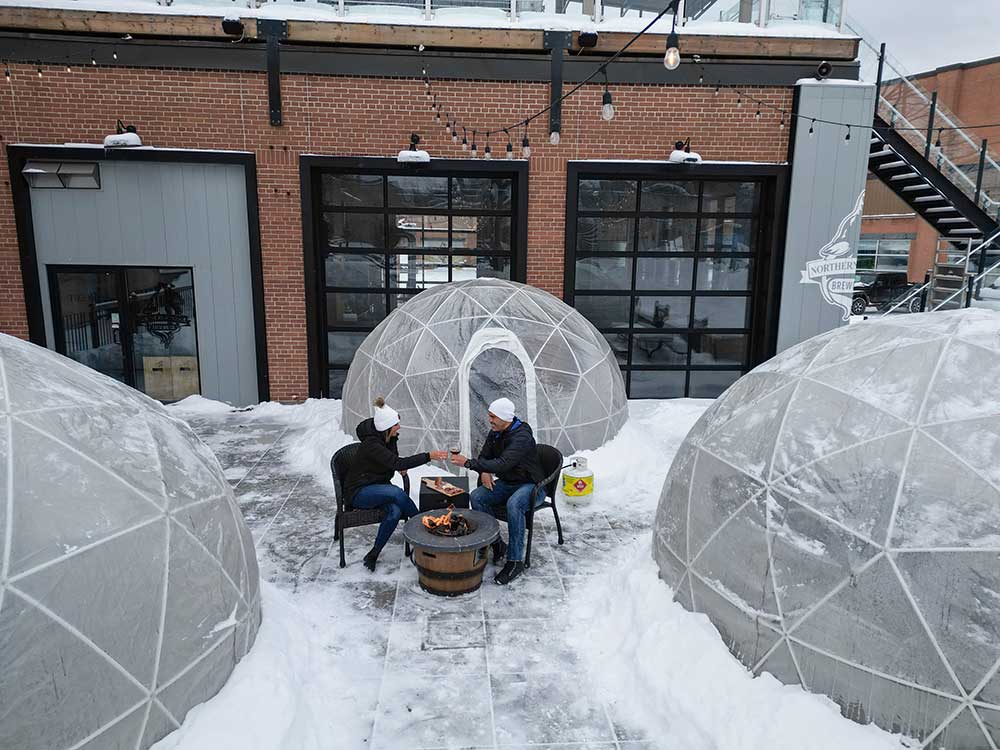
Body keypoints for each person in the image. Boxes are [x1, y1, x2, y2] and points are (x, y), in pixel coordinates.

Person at [343, 397, 448, 571]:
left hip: (377, 487)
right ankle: (426, 529)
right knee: (397, 493)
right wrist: (428, 456)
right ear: (386, 427)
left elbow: (395, 460)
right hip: (359, 492)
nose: (399, 427)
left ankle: (374, 553)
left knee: (395, 510)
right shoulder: (372, 445)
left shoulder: (388, 437)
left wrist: (398, 464)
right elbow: (397, 462)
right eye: (396, 425)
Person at [450, 397, 544, 586]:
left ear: (504, 418)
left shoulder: (522, 437)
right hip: (508, 482)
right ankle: (497, 545)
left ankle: (515, 560)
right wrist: (484, 470)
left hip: (532, 485)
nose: (490, 420)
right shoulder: (497, 432)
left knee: (515, 504)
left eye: (493, 416)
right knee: (477, 497)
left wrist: (468, 463)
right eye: (490, 416)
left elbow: (503, 463)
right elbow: (485, 456)